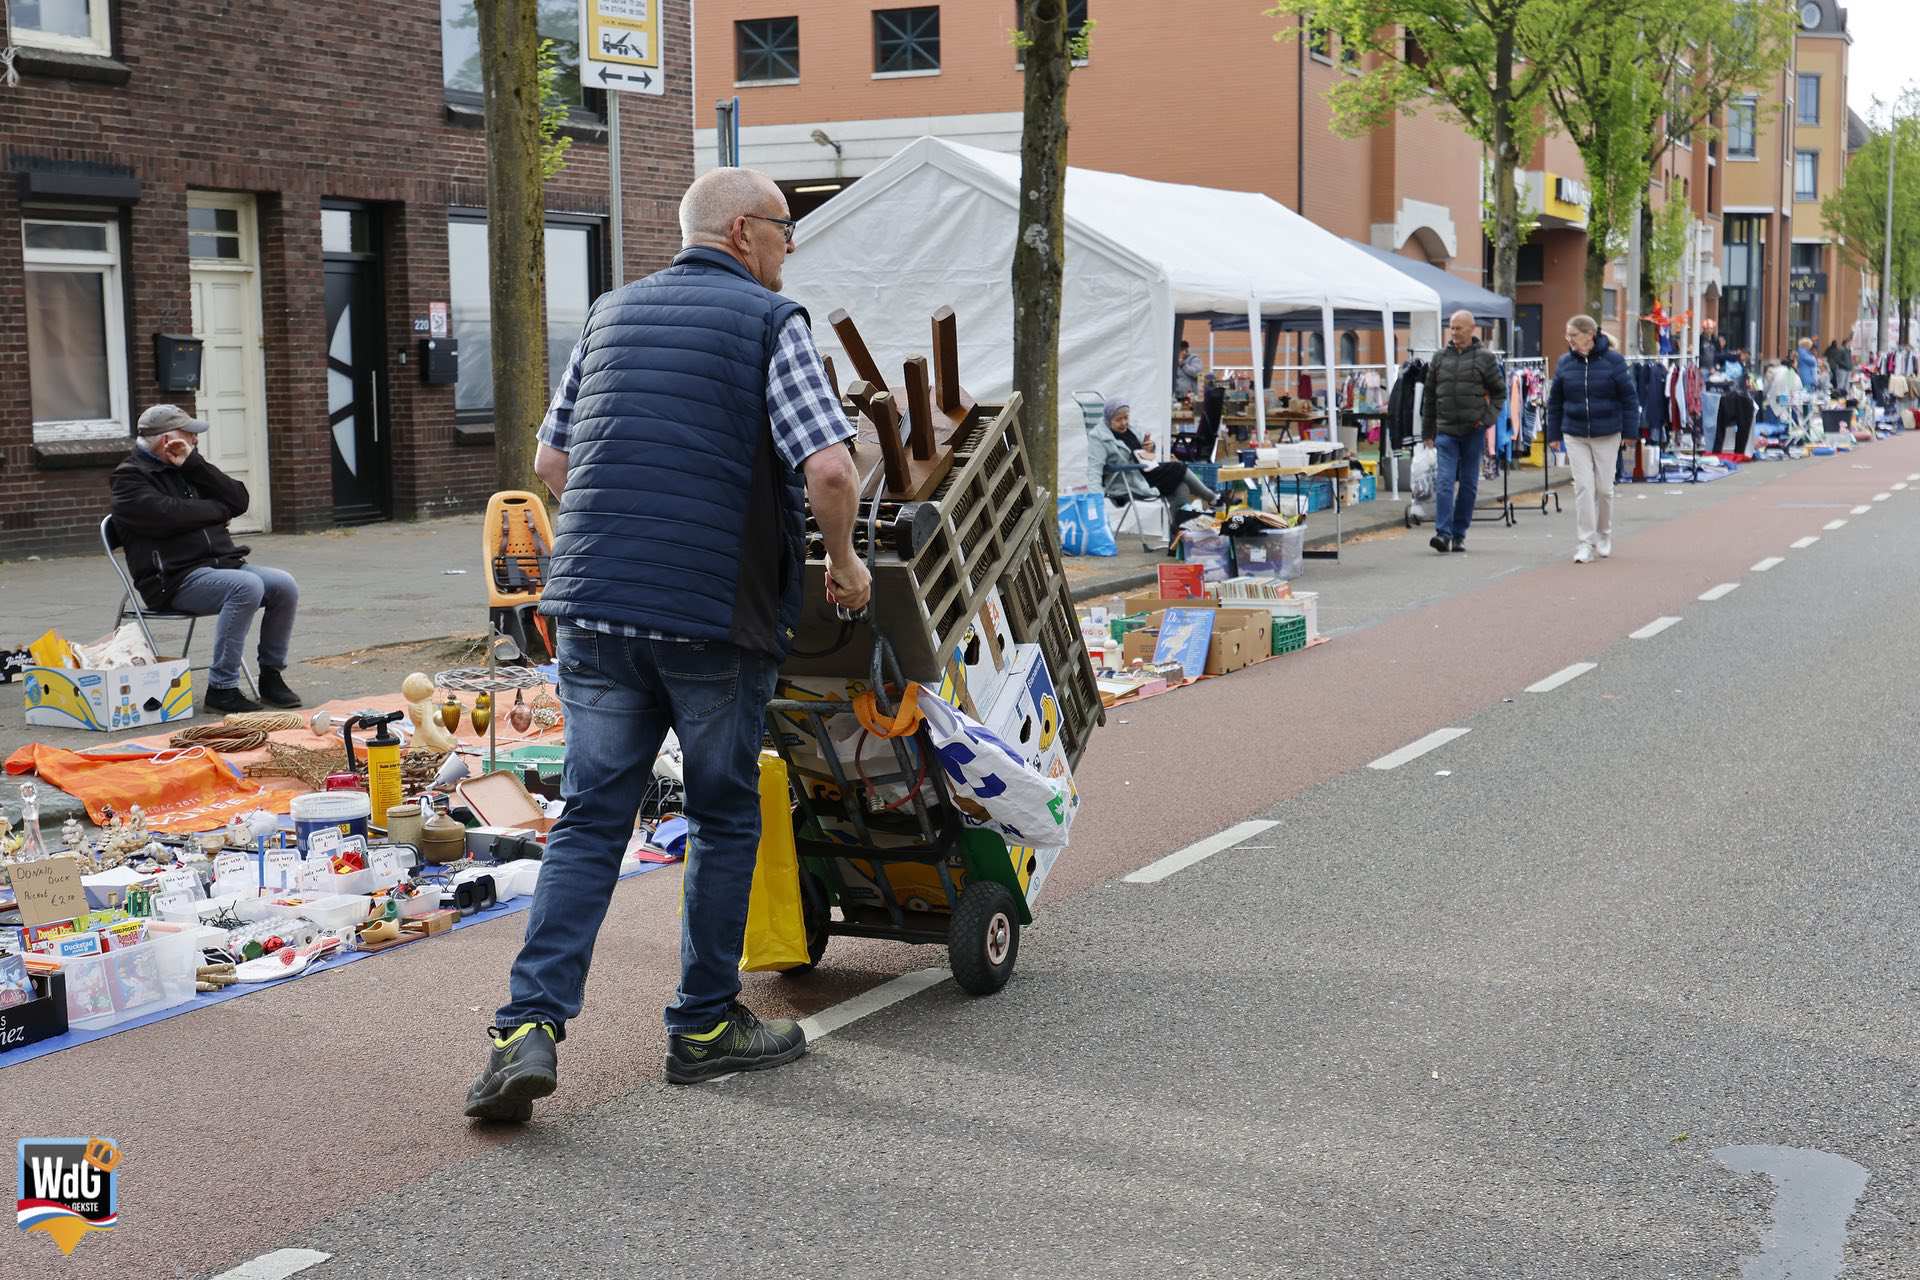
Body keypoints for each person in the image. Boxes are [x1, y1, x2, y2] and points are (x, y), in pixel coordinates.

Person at [465, 166, 872, 1121]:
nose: (791, 245)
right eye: (784, 227)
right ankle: (702, 1026)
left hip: (594, 612)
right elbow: (829, 469)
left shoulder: (610, 313)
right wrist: (846, 563)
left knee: (590, 819)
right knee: (725, 816)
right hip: (710, 618)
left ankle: (525, 1029)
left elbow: (552, 459)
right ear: (741, 231)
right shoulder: (771, 322)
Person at [108, 405, 302, 712]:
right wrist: (218, 511)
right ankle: (222, 689)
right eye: (190, 434)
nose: (195, 440)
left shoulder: (188, 467)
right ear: (167, 439)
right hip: (173, 579)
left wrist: (194, 465)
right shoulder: (129, 478)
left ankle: (271, 676)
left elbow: (238, 500)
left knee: (284, 585)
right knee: (246, 587)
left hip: (221, 566)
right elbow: (167, 516)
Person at [1546, 315, 1639, 564]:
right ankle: (1585, 542)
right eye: (1567, 335)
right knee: (1583, 487)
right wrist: (1553, 434)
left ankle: (1604, 533)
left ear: (1589, 335)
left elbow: (1629, 398)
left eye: (1573, 335)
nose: (1569, 339)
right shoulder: (1565, 363)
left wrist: (1630, 432)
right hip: (1575, 433)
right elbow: (1555, 401)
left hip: (1607, 433)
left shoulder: (1614, 361)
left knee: (1604, 489)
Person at [1420, 310, 1505, 554]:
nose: (1454, 332)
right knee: (1444, 482)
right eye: (1452, 328)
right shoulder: (1439, 358)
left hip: (1473, 430)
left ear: (1472, 329)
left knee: (1468, 484)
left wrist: (1486, 420)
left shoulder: (1485, 358)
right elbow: (1429, 396)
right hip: (1445, 430)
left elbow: (1499, 393)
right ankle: (1443, 534)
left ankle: (1459, 534)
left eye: (1459, 328)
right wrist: (1427, 431)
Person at [1100, 400, 1218, 508]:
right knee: (1178, 467)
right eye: (1118, 420)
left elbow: (1145, 453)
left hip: (1146, 471)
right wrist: (1094, 497)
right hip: (1130, 479)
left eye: (1126, 418)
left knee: (1180, 485)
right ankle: (1211, 497)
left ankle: (1180, 523)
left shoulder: (1131, 429)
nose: (1123, 422)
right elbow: (1098, 468)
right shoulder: (1104, 439)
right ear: (1109, 421)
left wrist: (1150, 447)